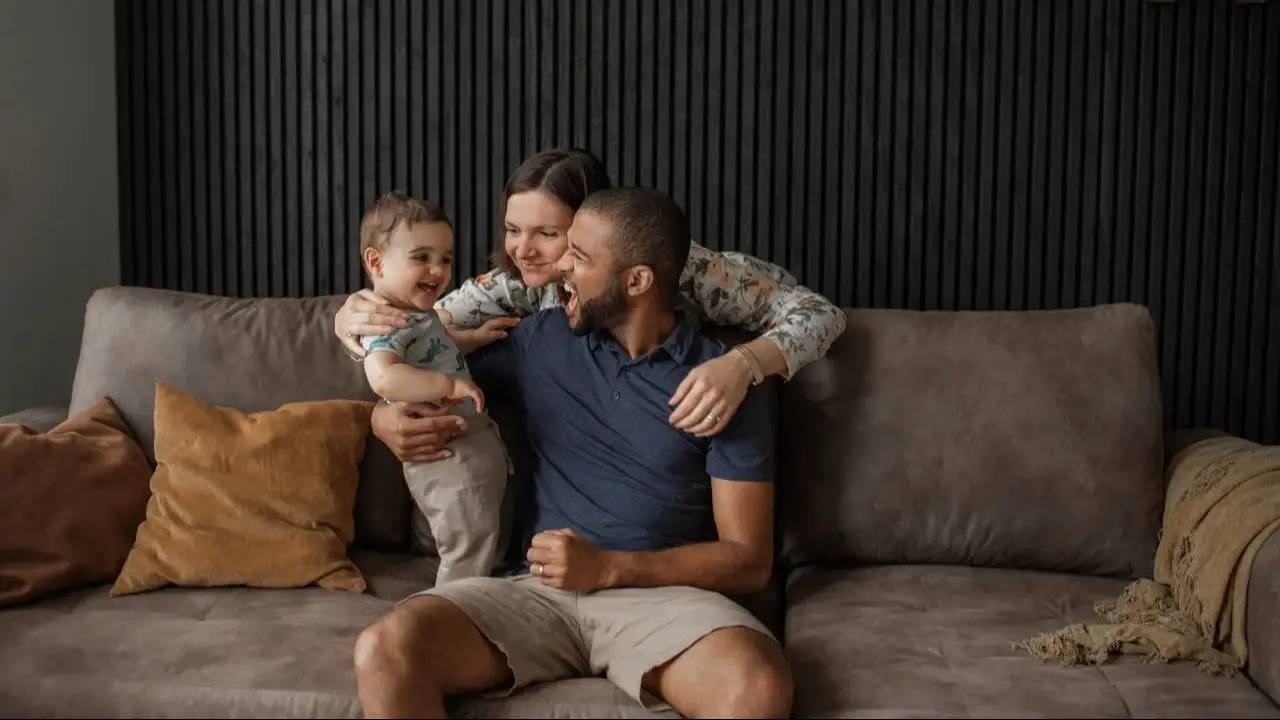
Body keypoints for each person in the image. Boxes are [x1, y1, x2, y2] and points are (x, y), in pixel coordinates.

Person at [352, 187, 792, 718]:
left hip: (664, 600)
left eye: (579, 257)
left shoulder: (721, 383)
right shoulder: (542, 339)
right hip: (535, 595)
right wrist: (381, 416)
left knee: (757, 686)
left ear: (637, 280)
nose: (560, 265)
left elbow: (749, 562)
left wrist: (609, 567)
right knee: (386, 650)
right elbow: (421, 358)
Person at [333, 148, 846, 462]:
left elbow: (820, 314)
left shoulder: (686, 272)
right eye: (513, 229)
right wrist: (349, 326)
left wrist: (743, 364)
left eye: (548, 233)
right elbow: (421, 330)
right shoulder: (518, 283)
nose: (522, 249)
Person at [355, 191, 512, 584]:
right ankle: (450, 615)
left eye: (445, 258)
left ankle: (473, 603)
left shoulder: (420, 316)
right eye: (421, 257)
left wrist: (474, 337)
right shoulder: (386, 323)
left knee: (482, 537)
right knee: (466, 544)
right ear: (376, 262)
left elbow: (440, 344)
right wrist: (447, 385)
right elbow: (384, 377)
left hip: (470, 442)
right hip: (442, 450)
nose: (438, 270)